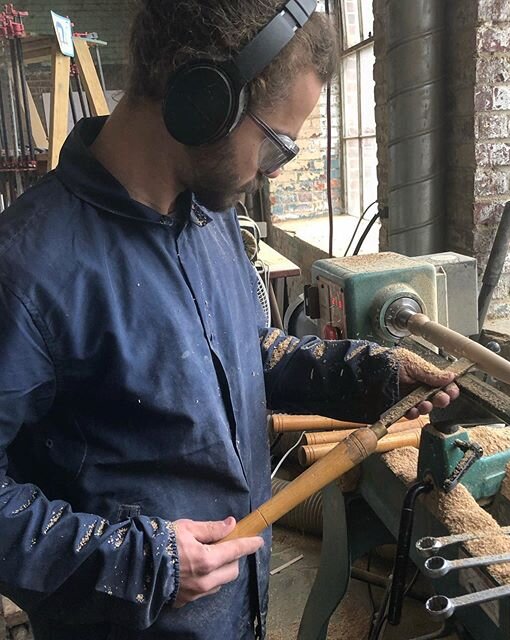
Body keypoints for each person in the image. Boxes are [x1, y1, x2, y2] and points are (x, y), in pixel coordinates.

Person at [0, 1, 459, 638]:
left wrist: (368, 376)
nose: (275, 167)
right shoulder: (27, 270)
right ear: (202, 99)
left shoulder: (209, 217)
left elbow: (241, 348)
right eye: (277, 143)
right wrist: (136, 561)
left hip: (236, 610)